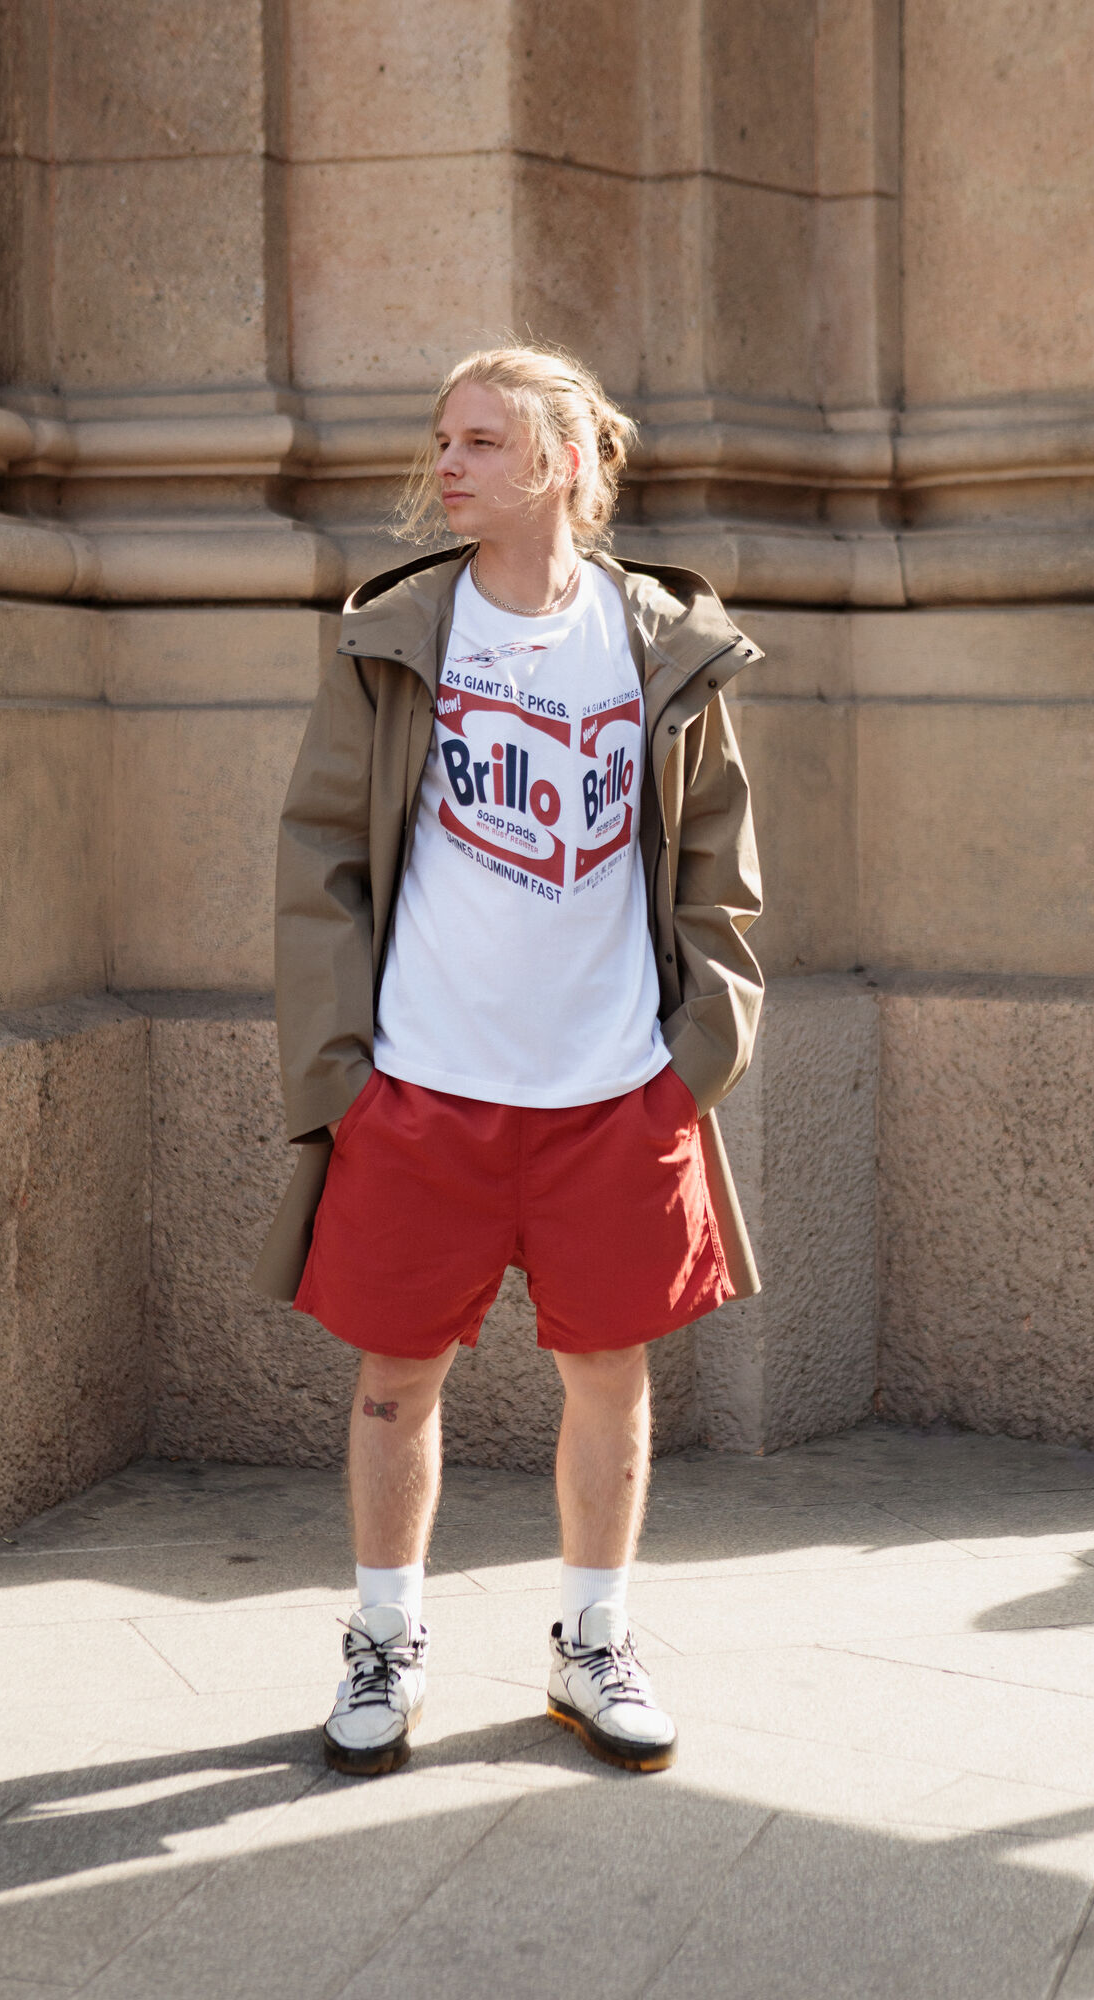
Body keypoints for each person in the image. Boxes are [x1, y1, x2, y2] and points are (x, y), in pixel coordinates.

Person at [252, 343, 764, 1777]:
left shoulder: (659, 643)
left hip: (615, 1095)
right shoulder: (397, 636)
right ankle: (383, 1641)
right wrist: (344, 1074)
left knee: (609, 1376)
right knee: (392, 1381)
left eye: (480, 440)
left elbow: (719, 867)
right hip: (423, 1089)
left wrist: (691, 1062)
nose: (447, 464)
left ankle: (592, 1645)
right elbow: (321, 861)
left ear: (561, 462)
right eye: (443, 439)